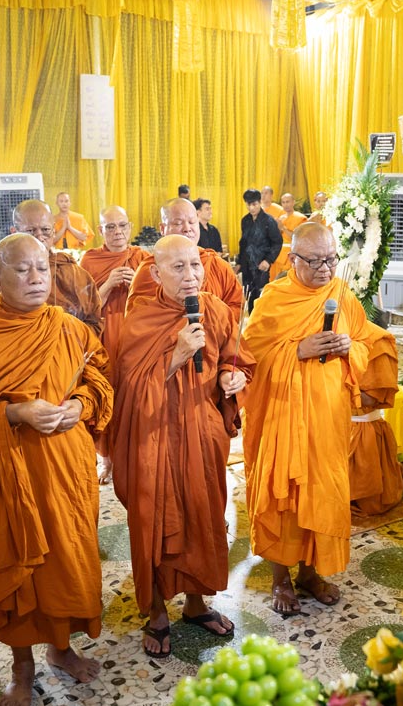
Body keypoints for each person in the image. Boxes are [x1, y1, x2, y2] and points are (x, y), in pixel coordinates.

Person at [0, 233, 113, 706]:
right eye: (22, 270)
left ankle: (61, 648)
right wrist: (14, 414)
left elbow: (97, 376)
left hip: (63, 469)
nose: (36, 278)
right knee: (14, 564)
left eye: (42, 268)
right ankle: (22, 669)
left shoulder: (67, 326)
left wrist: (81, 405)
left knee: (64, 558)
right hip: (3, 472)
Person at [109, 234, 255, 658]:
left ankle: (195, 603)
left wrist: (232, 378)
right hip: (153, 437)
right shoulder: (139, 318)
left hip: (202, 432)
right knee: (154, 520)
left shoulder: (213, 309)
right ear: (154, 273)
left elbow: (234, 355)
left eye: (196, 265)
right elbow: (125, 389)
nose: (191, 275)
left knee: (202, 514)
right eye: (178, 267)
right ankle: (156, 609)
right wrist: (174, 357)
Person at [243, 222, 370, 615]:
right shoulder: (274, 299)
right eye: (314, 261)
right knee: (285, 493)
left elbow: (369, 342)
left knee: (323, 490)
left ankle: (311, 573)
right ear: (292, 259)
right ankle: (281, 578)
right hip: (283, 415)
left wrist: (350, 347)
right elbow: (250, 358)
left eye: (331, 259)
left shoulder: (342, 294)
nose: (325, 269)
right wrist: (297, 350)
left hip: (328, 415)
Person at [80, 205, 146, 484]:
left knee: (137, 397)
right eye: (110, 227)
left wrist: (134, 287)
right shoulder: (90, 260)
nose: (117, 232)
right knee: (106, 396)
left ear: (130, 227)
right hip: (105, 337)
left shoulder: (142, 257)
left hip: (136, 338)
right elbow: (82, 308)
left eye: (122, 226)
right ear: (100, 231)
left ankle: (137, 457)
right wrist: (108, 284)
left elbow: (157, 300)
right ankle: (106, 461)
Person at [0, 200, 104, 336]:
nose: (39, 236)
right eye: (30, 230)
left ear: (54, 230)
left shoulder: (73, 272)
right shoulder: (1, 277)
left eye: (45, 230)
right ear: (14, 232)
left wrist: (67, 341)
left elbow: (94, 322)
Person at [126, 198, 243, 320]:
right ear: (162, 228)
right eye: (178, 223)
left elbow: (237, 305)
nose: (187, 228)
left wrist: (212, 326)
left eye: (192, 222)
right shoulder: (150, 270)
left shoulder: (216, 264)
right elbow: (137, 318)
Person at [349, 322, 403, 516]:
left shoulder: (377, 340)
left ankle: (402, 478)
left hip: (363, 429)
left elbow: (373, 397)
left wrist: (336, 385)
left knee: (370, 504)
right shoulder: (319, 330)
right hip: (328, 426)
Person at [238, 188, 283, 310]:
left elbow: (277, 242)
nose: (251, 208)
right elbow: (243, 243)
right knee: (248, 296)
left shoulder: (269, 221)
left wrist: (268, 260)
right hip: (247, 265)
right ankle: (252, 324)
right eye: (249, 204)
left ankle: (260, 325)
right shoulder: (245, 220)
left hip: (261, 265)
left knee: (260, 298)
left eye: (254, 204)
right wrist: (239, 264)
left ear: (260, 202)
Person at [269, 192, 307, 281]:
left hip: (292, 253)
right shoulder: (281, 218)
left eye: (288, 202)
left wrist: (283, 228)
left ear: (293, 202)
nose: (285, 204)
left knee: (289, 280)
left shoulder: (300, 218)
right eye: (283, 202)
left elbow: (298, 238)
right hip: (279, 254)